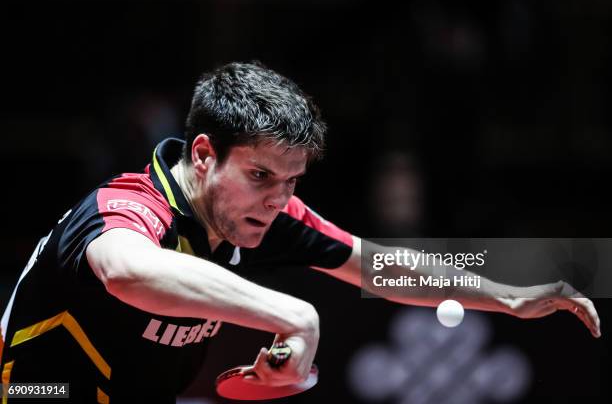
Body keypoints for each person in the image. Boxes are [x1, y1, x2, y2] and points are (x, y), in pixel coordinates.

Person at [0, 62, 600, 402]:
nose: (278, 199)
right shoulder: (125, 205)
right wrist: (296, 315)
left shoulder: (261, 211)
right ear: (205, 155)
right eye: (261, 175)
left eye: (291, 181)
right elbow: (128, 270)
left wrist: (506, 295)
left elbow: (375, 265)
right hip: (39, 394)